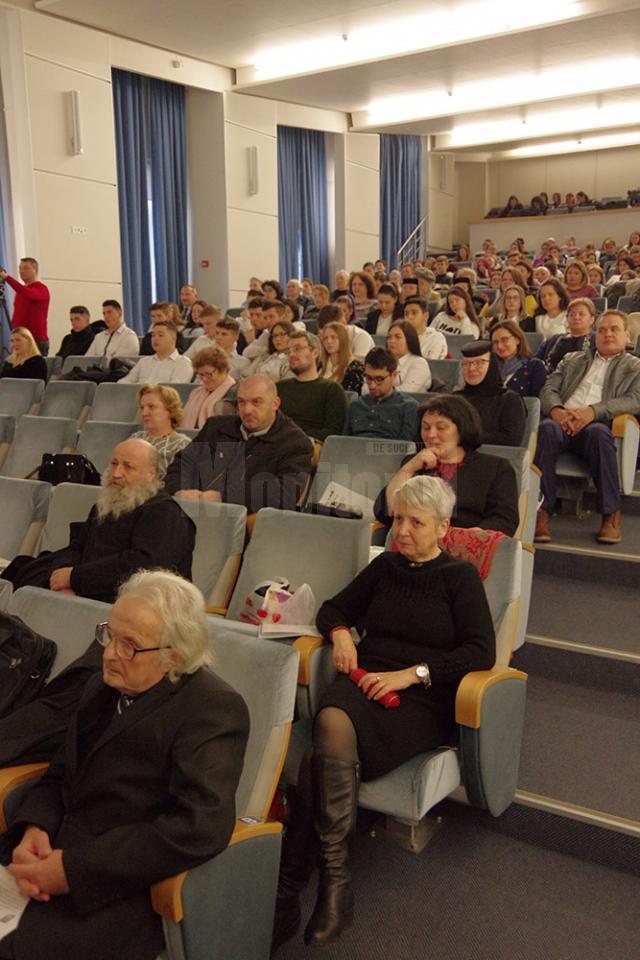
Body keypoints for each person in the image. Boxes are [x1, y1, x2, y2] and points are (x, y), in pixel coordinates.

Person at [272, 474, 495, 949]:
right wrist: (338, 636)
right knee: (331, 726)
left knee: (319, 752)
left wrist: (412, 674)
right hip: (363, 683)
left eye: (416, 521)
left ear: (443, 527)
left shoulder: (460, 578)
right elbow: (334, 608)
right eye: (398, 519)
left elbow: (480, 652)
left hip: (419, 699)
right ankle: (332, 883)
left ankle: (295, 885)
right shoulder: (386, 567)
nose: (403, 530)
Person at [0, 569, 249, 960]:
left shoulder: (212, 710)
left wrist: (75, 870)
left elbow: (198, 827)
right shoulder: (103, 684)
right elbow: (61, 773)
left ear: (173, 658)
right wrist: (35, 827)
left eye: (129, 644)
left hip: (119, 885)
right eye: (109, 634)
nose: (110, 652)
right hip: (48, 856)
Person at [2, 439, 196, 602]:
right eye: (114, 463)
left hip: (136, 600)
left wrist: (75, 578)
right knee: (24, 568)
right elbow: (78, 547)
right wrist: (63, 576)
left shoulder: (164, 512)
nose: (117, 473)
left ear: (151, 474)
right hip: (89, 587)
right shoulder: (107, 504)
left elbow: (145, 567)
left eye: (128, 466)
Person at [534, 310, 640, 545]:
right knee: (547, 429)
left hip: (597, 425)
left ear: (627, 336)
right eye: (602, 330)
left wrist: (593, 412)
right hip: (561, 421)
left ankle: (611, 514)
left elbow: (634, 399)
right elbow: (548, 389)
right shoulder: (572, 359)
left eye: (614, 329)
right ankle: (541, 510)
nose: (607, 334)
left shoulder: (635, 367)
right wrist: (557, 411)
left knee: (600, 434)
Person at [165, 374, 313, 511]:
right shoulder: (215, 427)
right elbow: (182, 463)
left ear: (275, 403)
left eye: (257, 402)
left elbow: (285, 492)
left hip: (242, 523)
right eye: (242, 402)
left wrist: (221, 497)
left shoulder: (295, 443)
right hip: (188, 510)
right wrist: (180, 490)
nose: (247, 410)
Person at [373, 395, 519, 534]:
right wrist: (408, 468)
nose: (431, 435)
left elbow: (505, 520)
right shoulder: (414, 464)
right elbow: (386, 514)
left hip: (465, 548)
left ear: (462, 429)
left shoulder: (496, 468)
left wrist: (462, 539)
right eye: (426, 427)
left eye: (441, 428)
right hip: (412, 545)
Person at [276, 331, 348, 441]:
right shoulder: (279, 388)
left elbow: (334, 432)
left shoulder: (331, 390)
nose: (291, 354)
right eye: (288, 351)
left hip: (312, 448)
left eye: (297, 348)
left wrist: (294, 437)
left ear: (314, 352)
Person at [456, 340, 526, 446]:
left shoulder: (509, 399)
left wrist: (462, 437)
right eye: (466, 363)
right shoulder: (455, 399)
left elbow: (510, 439)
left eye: (479, 362)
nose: (471, 368)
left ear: (492, 365)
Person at [342, 348, 418, 439]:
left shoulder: (408, 407)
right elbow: (343, 444)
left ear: (393, 375)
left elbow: (406, 448)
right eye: (368, 378)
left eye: (379, 379)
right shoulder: (355, 405)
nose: (372, 385)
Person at [130, 385, 192, 477]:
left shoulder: (182, 445)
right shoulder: (135, 438)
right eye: (142, 408)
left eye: (151, 407)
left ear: (170, 410)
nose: (144, 413)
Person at [0, 257, 50, 355]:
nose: (21, 271)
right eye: (20, 268)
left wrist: (7, 277)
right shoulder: (21, 292)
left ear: (35, 271)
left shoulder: (42, 289)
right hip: (19, 340)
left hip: (35, 340)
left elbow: (28, 293)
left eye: (26, 268)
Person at [120, 321, 193, 384]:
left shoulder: (183, 363)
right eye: (153, 335)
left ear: (173, 338)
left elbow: (173, 390)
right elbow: (126, 381)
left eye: (160, 335)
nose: (155, 339)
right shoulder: (144, 361)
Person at [182, 347, 236, 429]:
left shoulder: (233, 393)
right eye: (201, 375)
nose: (204, 379)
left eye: (209, 374)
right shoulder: (196, 393)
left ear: (224, 370)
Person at [536, 298, 596, 372]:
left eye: (581, 314)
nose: (576, 317)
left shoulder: (596, 340)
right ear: (567, 318)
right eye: (572, 314)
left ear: (592, 319)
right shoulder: (554, 339)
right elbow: (536, 361)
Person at [490, 320, 546, 397]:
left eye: (504, 340)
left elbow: (536, 402)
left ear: (517, 339)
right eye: (495, 342)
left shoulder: (535, 366)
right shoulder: (489, 366)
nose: (500, 346)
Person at [384, 321, 432, 393]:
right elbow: (366, 389)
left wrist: (380, 391)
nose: (392, 341)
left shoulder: (419, 363)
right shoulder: (382, 361)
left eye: (398, 337)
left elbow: (407, 391)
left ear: (409, 339)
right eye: (389, 337)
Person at [319, 322, 365, 394]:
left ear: (343, 339)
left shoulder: (355, 368)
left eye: (333, 337)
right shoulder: (319, 365)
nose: (329, 341)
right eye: (325, 338)